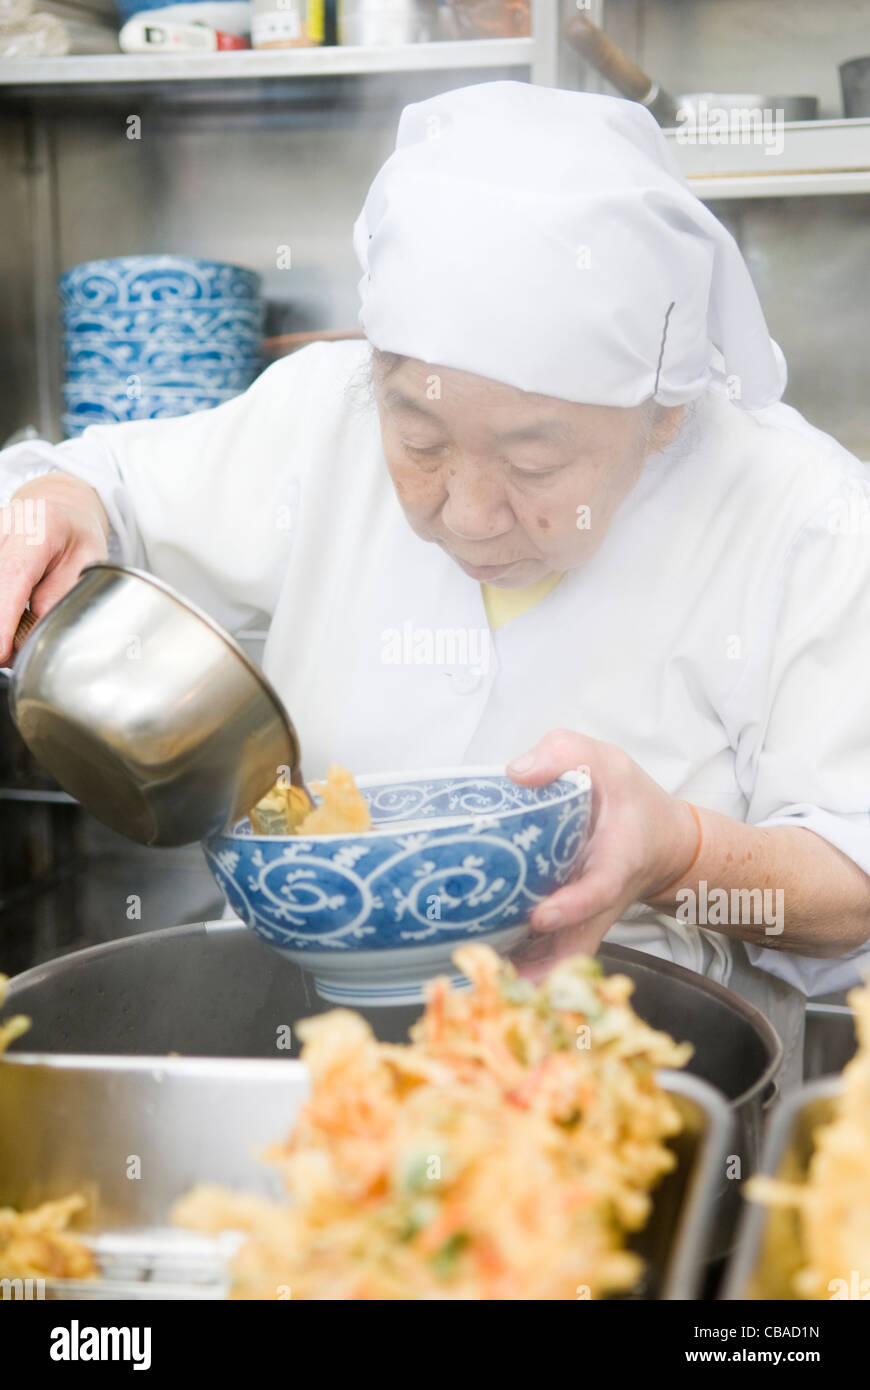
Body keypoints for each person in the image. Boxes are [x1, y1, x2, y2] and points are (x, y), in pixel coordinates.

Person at [2, 82, 869, 1090]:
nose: (463, 511)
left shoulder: (804, 516)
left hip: (630, 1098)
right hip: (306, 1078)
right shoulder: (320, 418)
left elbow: (855, 878)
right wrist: (49, 504)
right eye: (418, 438)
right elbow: (95, 483)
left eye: (535, 463)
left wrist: (679, 852)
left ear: (662, 412)